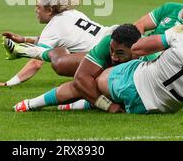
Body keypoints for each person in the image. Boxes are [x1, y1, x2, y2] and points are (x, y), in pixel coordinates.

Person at [17, 13, 183, 114]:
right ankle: (76, 106)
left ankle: (30, 104)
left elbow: (139, 48)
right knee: (100, 84)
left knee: (88, 79)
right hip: (153, 109)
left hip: (131, 83)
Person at [0, 0, 117, 87]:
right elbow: (60, 40)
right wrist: (24, 39)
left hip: (106, 59)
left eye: (38, 7)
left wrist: (9, 83)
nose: (36, 10)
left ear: (50, 10)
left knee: (61, 65)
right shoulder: (74, 13)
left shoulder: (53, 27)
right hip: (114, 40)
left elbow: (36, 62)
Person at [13, 24, 142, 112]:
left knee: (108, 87)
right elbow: (80, 79)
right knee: (60, 64)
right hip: (92, 57)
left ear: (136, 49)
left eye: (119, 53)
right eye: (112, 50)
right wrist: (107, 106)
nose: (114, 56)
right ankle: (36, 52)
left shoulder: (150, 55)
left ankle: (78, 104)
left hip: (106, 61)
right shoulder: (106, 44)